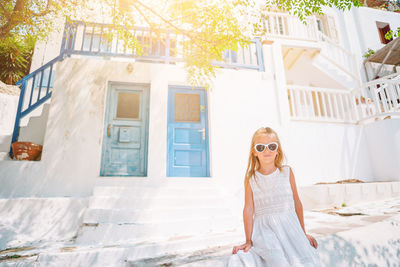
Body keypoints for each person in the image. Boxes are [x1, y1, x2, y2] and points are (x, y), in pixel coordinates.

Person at [228, 127, 322, 266]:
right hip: (264, 230)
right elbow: (248, 209)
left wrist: (303, 233)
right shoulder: (251, 178)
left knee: (305, 259)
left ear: (278, 150)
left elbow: (297, 203)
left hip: (289, 226)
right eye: (261, 147)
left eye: (272, 146)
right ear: (254, 152)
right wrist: (248, 240)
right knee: (277, 260)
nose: (267, 151)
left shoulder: (287, 172)